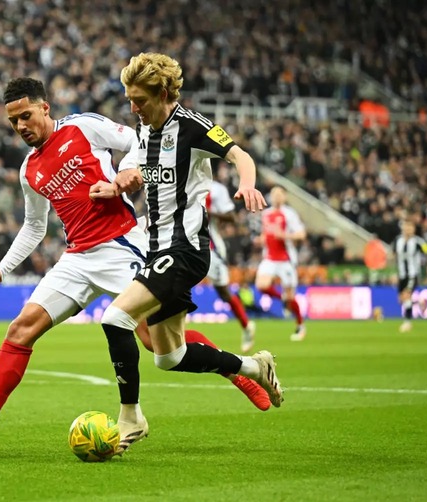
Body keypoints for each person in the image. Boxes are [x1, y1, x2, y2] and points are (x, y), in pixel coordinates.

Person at [0, 78, 269, 455]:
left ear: (45, 108)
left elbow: (139, 141)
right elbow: (35, 227)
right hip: (76, 258)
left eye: (26, 116)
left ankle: (238, 369)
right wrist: (1, 270)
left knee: (157, 342)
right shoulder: (29, 171)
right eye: (13, 122)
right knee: (20, 329)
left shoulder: (82, 126)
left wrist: (125, 176)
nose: (21, 126)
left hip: (122, 244)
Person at [91, 53, 284, 441]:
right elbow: (138, 170)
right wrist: (115, 186)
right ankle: (253, 367)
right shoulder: (145, 129)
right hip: (156, 248)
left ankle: (131, 418)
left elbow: (239, 154)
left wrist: (247, 182)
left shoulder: (192, 126)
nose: (133, 108)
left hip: (185, 250)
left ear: (163, 93)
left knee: (114, 319)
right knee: (169, 357)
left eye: (140, 101)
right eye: (129, 100)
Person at [206, 178, 256, 353]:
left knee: (223, 292)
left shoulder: (215, 189)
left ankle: (246, 325)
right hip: (183, 244)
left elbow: (231, 216)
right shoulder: (179, 177)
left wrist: (208, 213)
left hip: (210, 246)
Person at [254, 186, 307, 341]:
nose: (276, 197)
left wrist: (285, 235)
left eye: (279, 194)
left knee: (291, 297)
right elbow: (266, 234)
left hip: (286, 259)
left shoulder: (289, 214)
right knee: (261, 285)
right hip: (269, 257)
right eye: (273, 194)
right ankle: (282, 298)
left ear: (284, 197)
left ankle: (300, 325)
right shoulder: (266, 214)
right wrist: (261, 240)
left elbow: (301, 234)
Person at [394, 218, 427, 332]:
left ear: (414, 229)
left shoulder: (418, 241)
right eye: (407, 226)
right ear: (403, 228)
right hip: (401, 275)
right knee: (401, 300)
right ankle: (420, 302)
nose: (408, 229)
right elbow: (394, 256)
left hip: (412, 274)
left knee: (406, 296)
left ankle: (407, 323)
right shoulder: (397, 241)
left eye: (411, 227)